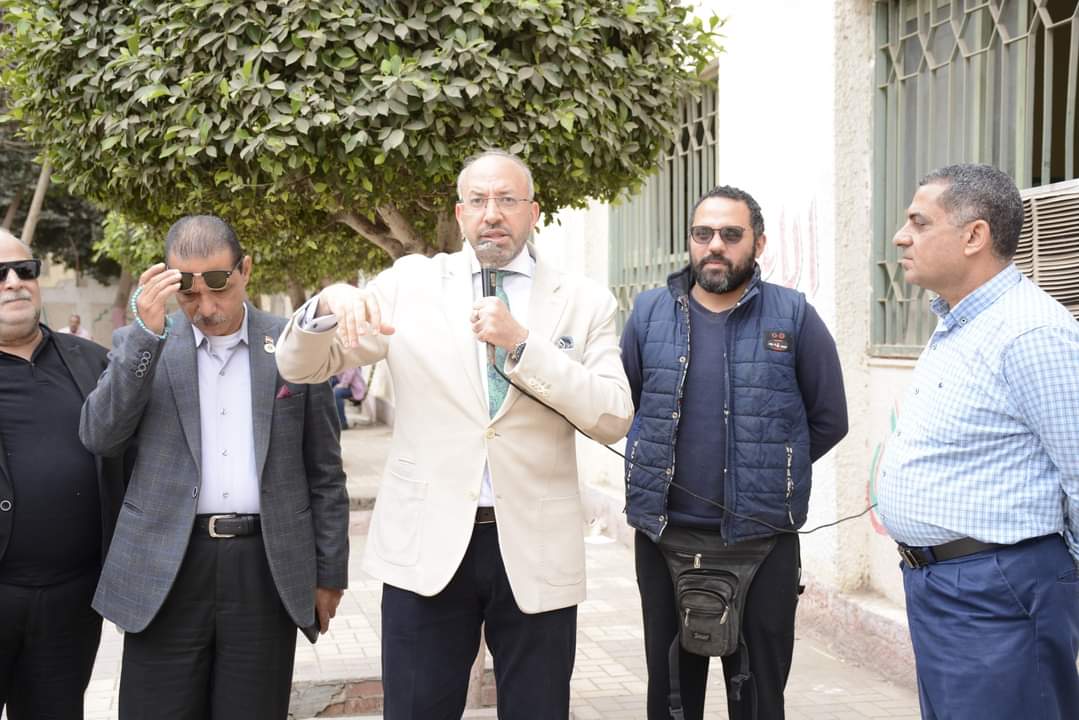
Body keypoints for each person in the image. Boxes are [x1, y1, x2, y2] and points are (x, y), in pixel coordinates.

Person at [275, 149, 634, 719]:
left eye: (508, 200)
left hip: (537, 548)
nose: (493, 213)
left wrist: (522, 344)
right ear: (461, 213)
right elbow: (302, 366)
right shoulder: (410, 283)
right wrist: (326, 304)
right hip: (427, 545)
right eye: (478, 200)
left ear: (534, 211)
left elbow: (613, 415)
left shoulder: (583, 301)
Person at [79, 215, 350, 720]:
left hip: (265, 567)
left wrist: (330, 572)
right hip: (167, 566)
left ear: (245, 269)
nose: (205, 307)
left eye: (218, 287)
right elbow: (100, 436)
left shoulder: (293, 346)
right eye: (189, 292)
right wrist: (146, 335)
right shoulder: (144, 344)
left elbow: (325, 471)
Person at [621, 185, 848, 720]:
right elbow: (623, 405)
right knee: (672, 698)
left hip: (761, 543)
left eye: (730, 234)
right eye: (703, 234)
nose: (715, 245)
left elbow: (829, 420)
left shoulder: (793, 315)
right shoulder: (649, 313)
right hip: (664, 539)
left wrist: (770, 472)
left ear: (757, 243)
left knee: (758, 697)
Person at [877, 163, 1079, 719]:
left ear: (974, 236)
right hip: (945, 587)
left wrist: (1055, 585)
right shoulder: (961, 321)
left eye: (919, 222)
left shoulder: (1030, 332)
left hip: (998, 591)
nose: (901, 237)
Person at [0, 229, 128, 719]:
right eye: (0, 275)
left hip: (71, 602)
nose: (14, 282)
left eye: (25, 270)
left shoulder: (94, 363)